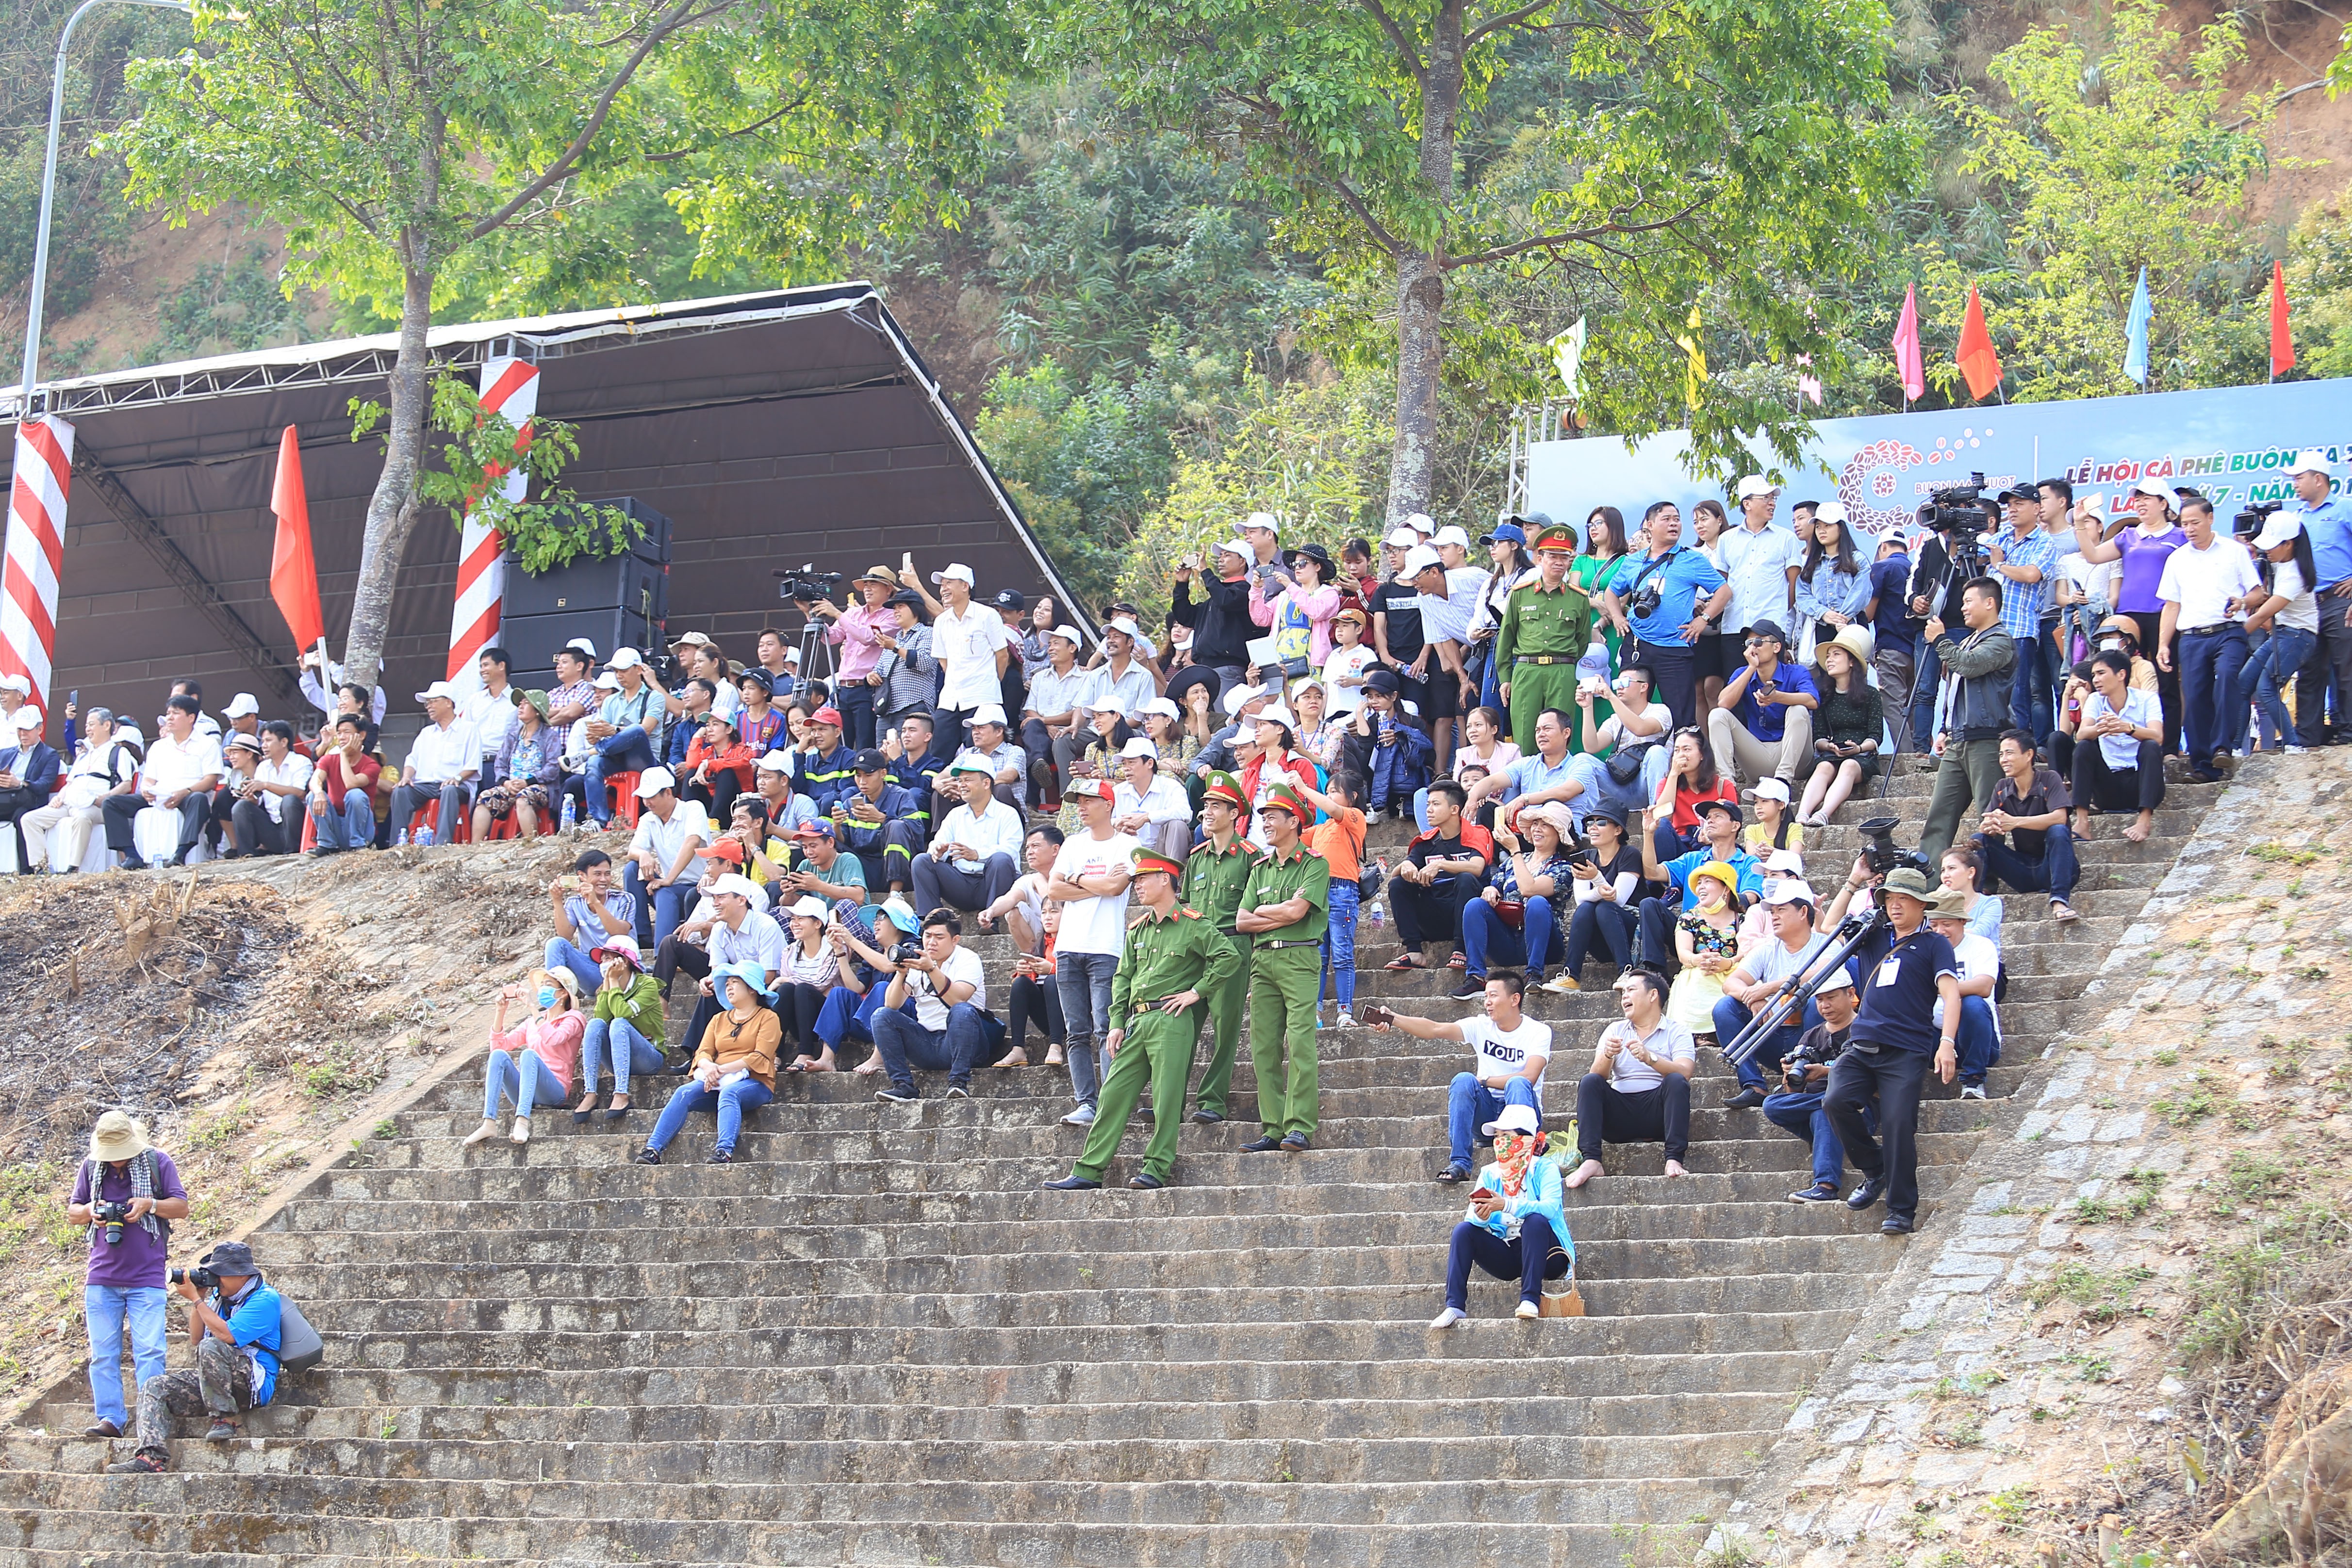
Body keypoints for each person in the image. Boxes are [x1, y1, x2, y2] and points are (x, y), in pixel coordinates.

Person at [1043, 847, 1242, 1192]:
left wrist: (1196, 991)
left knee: (1166, 1099)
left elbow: (1228, 957)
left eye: (1143, 879)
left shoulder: (1193, 924)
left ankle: (1157, 1166)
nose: (1136, 885)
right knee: (1113, 1095)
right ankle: (1089, 1170)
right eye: (1135, 879)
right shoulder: (1138, 929)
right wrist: (1117, 1020)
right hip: (1137, 1021)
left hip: (1170, 1018)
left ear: (1165, 879)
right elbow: (1123, 978)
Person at [1824, 866, 1960, 1234]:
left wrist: (1946, 1042)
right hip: (1861, 1043)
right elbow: (1827, 928)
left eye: (1903, 899)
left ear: (1921, 904)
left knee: (1899, 1124)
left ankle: (1901, 1209)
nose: (1895, 906)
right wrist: (1853, 882)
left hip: (1906, 1049)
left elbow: (1950, 994)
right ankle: (1875, 1169)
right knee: (1834, 1101)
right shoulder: (1873, 935)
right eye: (1889, 899)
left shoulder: (1934, 943)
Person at [106, 1240, 280, 1474]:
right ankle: (151, 1457)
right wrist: (197, 1299)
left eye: (221, 1274)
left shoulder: (265, 1298)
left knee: (213, 1345)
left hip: (253, 1383)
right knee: (155, 1385)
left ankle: (226, 1419)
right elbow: (196, 1339)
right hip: (217, 1380)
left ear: (241, 1275)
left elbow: (226, 1336)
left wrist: (198, 1301)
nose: (216, 1280)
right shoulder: (218, 1299)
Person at [69, 1111, 189, 1440]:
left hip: (147, 1275)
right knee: (103, 1354)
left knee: (150, 1350)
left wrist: (150, 1204)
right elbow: (73, 1211)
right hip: (102, 1277)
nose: (116, 1160)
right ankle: (111, 1418)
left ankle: (152, 1419)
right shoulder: (92, 1167)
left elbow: (181, 1207)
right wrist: (92, 1211)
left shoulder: (158, 1162)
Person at [1372, 971, 1553, 1184]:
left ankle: (1521, 1158)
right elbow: (1435, 1029)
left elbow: (1530, 1077)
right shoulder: (1481, 1025)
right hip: (1487, 1117)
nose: (1487, 1003)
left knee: (1518, 1083)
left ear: (1515, 999)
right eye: (1485, 997)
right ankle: (1460, 1163)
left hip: (1521, 1109)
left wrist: (1485, 1081)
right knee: (1463, 1080)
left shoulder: (1538, 1031)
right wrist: (1393, 1019)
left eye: (1493, 996)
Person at [1237, 783, 1331, 1153]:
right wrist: (1271, 914)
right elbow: (1242, 921)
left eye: (1272, 816)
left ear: (1294, 820)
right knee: (1263, 1046)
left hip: (1300, 957)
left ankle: (1299, 1125)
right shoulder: (1260, 868)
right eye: (1263, 817)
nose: (1266, 823)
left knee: (1300, 1042)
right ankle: (1273, 1127)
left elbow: (1297, 912)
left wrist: (1264, 912)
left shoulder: (1314, 863)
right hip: (1263, 961)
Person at [1426, 1102, 1571, 1327]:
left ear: (1525, 1138)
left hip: (1548, 1256)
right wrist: (1482, 1215)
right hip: (1509, 1255)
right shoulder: (1490, 1172)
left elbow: (1550, 1208)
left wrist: (1506, 1204)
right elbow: (1472, 1219)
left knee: (1535, 1221)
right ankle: (1454, 1306)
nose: (1500, 1141)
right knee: (1463, 1231)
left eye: (1507, 1135)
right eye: (1498, 1136)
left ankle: (1530, 1299)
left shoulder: (1545, 1168)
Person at [1046, 780, 1138, 1127]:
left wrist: (1077, 879)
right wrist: (1093, 884)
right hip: (1069, 946)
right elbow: (1054, 889)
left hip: (1106, 947)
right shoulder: (1072, 843)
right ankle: (1086, 1101)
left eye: (1089, 801)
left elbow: (1118, 887)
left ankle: (1112, 1103)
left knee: (1106, 1028)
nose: (1081, 806)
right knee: (1076, 1031)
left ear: (1108, 804)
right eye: (1078, 801)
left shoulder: (1128, 845)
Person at [2073, 477, 2188, 754]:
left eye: (2147, 498)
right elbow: (2093, 555)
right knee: (2124, 678)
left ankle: (2169, 747)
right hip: (2128, 620)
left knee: (2166, 682)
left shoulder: (2180, 536)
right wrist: (2079, 523)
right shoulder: (2128, 536)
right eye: (2137, 498)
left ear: (2164, 503)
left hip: (2164, 614)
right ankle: (2122, 744)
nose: (2140, 503)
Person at [1600, 501, 1732, 730]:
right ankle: (1629, 762)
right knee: (1630, 709)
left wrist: (1703, 619)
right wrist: (1618, 617)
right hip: (1637, 645)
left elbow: (1724, 591)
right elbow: (1612, 592)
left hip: (1675, 647)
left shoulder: (1692, 559)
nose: (1674, 524)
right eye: (1667, 519)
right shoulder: (1633, 560)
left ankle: (1684, 762)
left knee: (1680, 715)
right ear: (1650, 526)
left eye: (1677, 519)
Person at [2156, 495, 2262, 781]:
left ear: (2211, 519)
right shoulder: (2176, 559)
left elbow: (2258, 592)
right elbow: (2172, 605)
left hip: (2228, 632)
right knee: (2194, 697)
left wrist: (2241, 602)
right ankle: (2204, 766)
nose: (2189, 529)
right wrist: (2163, 645)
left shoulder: (2234, 551)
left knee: (2227, 677)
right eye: (2184, 524)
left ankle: (2222, 747)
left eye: (2195, 522)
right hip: (2191, 637)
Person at [1711, 877, 1839, 1107]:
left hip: (1811, 1036)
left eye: (1781, 910)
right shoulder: (1768, 948)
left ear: (1803, 912)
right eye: (1773, 911)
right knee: (1725, 1007)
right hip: (1772, 1036)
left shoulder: (1827, 944)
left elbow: (1822, 973)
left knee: (1813, 1002)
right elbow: (1732, 983)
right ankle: (1753, 1085)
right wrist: (1751, 999)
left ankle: (1808, 1079)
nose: (1774, 916)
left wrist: (1771, 988)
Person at [1563, 969, 1695, 1187]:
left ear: (1653, 996)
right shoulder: (1615, 1029)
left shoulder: (1677, 1031)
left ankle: (1674, 1158)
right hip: (1619, 1114)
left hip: (1658, 1115)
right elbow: (1598, 1075)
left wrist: (1651, 1059)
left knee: (1676, 1081)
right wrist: (1608, 1055)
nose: (1624, 996)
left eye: (1631, 990)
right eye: (1623, 992)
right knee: (1589, 1082)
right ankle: (1592, 1160)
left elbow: (1685, 1072)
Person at [1917, 577, 2017, 867]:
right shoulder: (1967, 641)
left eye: (1969, 601)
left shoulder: (2000, 640)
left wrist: (1939, 639)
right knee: (1940, 814)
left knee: (1988, 815)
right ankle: (1930, 878)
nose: (1963, 608)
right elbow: (1955, 690)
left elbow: (1969, 666)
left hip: (1987, 739)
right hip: (1957, 740)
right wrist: (1945, 728)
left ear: (1990, 603)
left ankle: (1988, 881)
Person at [637, 963, 781, 1162]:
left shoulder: (768, 1018)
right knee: (683, 1092)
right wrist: (708, 1067)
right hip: (716, 1080)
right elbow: (703, 1051)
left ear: (751, 988)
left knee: (730, 1093)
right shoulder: (718, 1019)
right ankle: (652, 1150)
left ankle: (724, 1151)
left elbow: (759, 1056)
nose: (729, 987)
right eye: (727, 983)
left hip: (755, 1083)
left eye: (735, 982)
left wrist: (721, 1070)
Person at [1180, 772, 1258, 1122]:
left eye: (1216, 806)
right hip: (1194, 950)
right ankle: (1172, 1097)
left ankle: (1212, 1100)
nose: (1207, 812)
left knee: (1225, 1029)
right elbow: (1183, 908)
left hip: (1232, 944)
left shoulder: (1249, 857)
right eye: (1206, 805)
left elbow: (1254, 910)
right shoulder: (1195, 857)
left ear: (1233, 812)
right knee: (1181, 1026)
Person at [1764, 966, 1865, 1203]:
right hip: (1817, 1103)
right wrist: (1791, 1074)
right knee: (1772, 1104)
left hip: (1858, 1108)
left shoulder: (1865, 1029)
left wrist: (1826, 1073)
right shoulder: (1811, 1035)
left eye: (1831, 998)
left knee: (1827, 1109)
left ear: (1851, 994)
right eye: (1820, 1000)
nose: (1825, 1006)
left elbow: (1869, 1076)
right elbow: (1793, 1091)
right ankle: (1825, 1137)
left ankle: (1826, 1186)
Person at [1494, 518, 1595, 755]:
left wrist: (1565, 663)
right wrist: (1506, 677)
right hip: (1527, 671)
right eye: (1553, 556)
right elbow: (1507, 638)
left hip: (1562, 671)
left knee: (1559, 736)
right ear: (1540, 558)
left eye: (1564, 557)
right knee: (1526, 735)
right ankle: (1526, 790)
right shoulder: (1521, 594)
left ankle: (1557, 790)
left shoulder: (1578, 598)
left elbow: (1582, 641)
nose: (1559, 562)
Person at [870, 910, 991, 1104]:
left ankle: (959, 1082)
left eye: (939, 937)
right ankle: (904, 1086)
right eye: (928, 936)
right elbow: (892, 1004)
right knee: (881, 1016)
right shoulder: (919, 960)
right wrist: (901, 973)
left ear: (955, 940)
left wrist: (931, 969)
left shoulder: (968, 959)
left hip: (966, 1043)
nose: (932, 942)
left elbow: (958, 999)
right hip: (928, 1043)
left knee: (962, 1010)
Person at [1457, 802, 1574, 997]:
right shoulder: (1513, 861)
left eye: (1545, 825)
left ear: (1558, 833)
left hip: (1546, 944)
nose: (1537, 828)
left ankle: (1534, 974)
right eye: (1535, 823)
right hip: (1509, 940)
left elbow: (1529, 889)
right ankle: (1476, 977)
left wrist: (1516, 851)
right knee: (1475, 905)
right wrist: (1490, 890)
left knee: (1537, 902)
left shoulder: (1563, 868)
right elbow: (1496, 883)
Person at [464, 968, 586, 1148]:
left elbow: (554, 1039)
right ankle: (489, 1122)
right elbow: (498, 1047)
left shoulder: (574, 1018)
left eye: (549, 985)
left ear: (562, 994)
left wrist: (532, 1008)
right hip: (527, 1090)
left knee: (529, 1054)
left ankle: (522, 1121)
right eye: (542, 985)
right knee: (499, 1056)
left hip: (554, 1090)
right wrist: (501, 1011)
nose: (542, 989)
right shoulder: (532, 1022)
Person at [1635, 796, 1760, 969]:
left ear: (1735, 826)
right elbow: (1652, 873)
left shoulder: (1749, 862)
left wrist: (1715, 904)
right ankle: (1654, 971)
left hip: (1727, 938)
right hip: (1688, 932)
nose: (1710, 820)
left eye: (1718, 816)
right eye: (1708, 817)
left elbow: (1750, 898)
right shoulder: (1693, 859)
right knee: (1650, 904)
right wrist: (1648, 834)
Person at [1383, 779, 1493, 974]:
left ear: (1454, 809)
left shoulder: (1477, 834)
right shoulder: (1427, 841)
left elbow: (1477, 868)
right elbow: (1394, 874)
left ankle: (1461, 949)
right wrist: (1407, 865)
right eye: (1428, 805)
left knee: (1465, 878)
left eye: (1436, 804)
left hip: (1469, 914)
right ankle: (1414, 951)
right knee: (1399, 883)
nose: (1429, 810)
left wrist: (1440, 864)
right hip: (1435, 915)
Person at [2281, 451, 2352, 747]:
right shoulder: (2296, 519)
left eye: (2299, 478)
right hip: (2308, 603)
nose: (2295, 484)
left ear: (2319, 479)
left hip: (2341, 599)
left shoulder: (2345, 508)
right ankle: (2307, 739)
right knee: (2309, 670)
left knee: (2346, 668)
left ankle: (2348, 732)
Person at [102, 694, 221, 869]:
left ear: (191, 718)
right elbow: (149, 780)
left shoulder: (207, 744)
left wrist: (186, 792)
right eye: (168, 713)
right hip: (159, 795)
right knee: (111, 803)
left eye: (176, 713)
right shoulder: (159, 746)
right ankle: (132, 855)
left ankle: (180, 854)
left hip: (187, 795)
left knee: (199, 800)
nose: (169, 718)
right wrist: (146, 790)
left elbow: (211, 780)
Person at [1972, 728, 2078, 923]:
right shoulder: (2002, 786)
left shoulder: (2049, 779)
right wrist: (1990, 825)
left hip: (2055, 868)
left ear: (2029, 755)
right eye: (2001, 754)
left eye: (2009, 753)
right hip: (2023, 871)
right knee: (1978, 841)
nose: (2004, 759)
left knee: (2058, 831)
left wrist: (2014, 822)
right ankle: (1973, 905)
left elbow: (2060, 818)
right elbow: (1984, 827)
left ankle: (2060, 900)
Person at [2237, 512, 2320, 756]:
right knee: (2243, 683)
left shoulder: (2295, 575)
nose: (2267, 552)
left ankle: (2292, 744)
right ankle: (2235, 748)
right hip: (2282, 635)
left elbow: (2262, 615)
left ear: (2289, 544)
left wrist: (2231, 639)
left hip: (2298, 638)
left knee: (2266, 688)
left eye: (2272, 546)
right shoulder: (2278, 564)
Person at [2065, 650, 2166, 844]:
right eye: (2094, 675)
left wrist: (2128, 728)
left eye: (2101, 673)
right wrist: (2102, 727)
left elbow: (2158, 736)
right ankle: (2082, 823)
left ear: (2121, 675)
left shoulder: (2147, 699)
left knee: (2151, 746)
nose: (2096, 680)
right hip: (2109, 788)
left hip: (2142, 784)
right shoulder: (2095, 700)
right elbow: (2081, 734)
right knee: (2084, 747)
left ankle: (2144, 821)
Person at [1295, 770, 1368, 1028]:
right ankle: (1315, 1012)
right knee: (1319, 956)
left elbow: (1334, 810)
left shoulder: (1356, 817)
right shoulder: (1321, 828)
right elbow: (1293, 836)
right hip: (1319, 893)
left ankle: (1345, 1011)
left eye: (1335, 791)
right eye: (1328, 792)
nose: (1329, 797)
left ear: (1353, 796)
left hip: (1343, 891)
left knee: (1343, 955)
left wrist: (1305, 789)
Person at [25, 707, 137, 873]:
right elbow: (69, 783)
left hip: (96, 806)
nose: (88, 729)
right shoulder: (84, 755)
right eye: (87, 725)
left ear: (106, 726)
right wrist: (60, 797)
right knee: (30, 819)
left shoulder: (119, 752)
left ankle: (73, 867)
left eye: (91, 725)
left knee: (82, 817)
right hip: (70, 803)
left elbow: (126, 784)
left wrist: (106, 798)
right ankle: (41, 867)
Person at [1707, 619, 1817, 788]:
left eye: (1758, 642)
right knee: (1717, 715)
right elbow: (1723, 703)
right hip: (1758, 756)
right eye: (1749, 643)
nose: (1753, 648)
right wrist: (1751, 668)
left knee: (1798, 710)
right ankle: (1727, 786)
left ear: (1777, 647)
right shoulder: (1742, 673)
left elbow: (1813, 700)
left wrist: (1778, 697)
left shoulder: (1796, 672)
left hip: (1795, 759)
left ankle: (1782, 782)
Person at [913, 755, 1025, 916]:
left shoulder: (1007, 814)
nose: (962, 785)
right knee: (922, 861)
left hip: (994, 884)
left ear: (986, 783)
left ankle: (991, 919)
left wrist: (977, 855)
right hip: (962, 884)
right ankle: (934, 920)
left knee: (1001, 859)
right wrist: (938, 852)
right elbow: (938, 844)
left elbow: (1010, 852)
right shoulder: (955, 815)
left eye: (968, 780)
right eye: (960, 781)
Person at [572, 936, 665, 1121]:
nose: (604, 963)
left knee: (619, 1023)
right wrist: (608, 986)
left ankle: (621, 1094)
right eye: (603, 959)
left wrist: (613, 983)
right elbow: (601, 1019)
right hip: (618, 1058)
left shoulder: (647, 985)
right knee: (595, 1024)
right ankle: (590, 1092)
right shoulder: (606, 987)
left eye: (609, 958)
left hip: (649, 1056)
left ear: (625, 961)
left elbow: (623, 1013)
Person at [1796, 626, 1882, 827]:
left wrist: (1858, 748)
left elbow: (1876, 736)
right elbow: (1818, 737)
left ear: (1852, 662)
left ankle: (1824, 814)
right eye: (1828, 656)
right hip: (1831, 753)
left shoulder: (1871, 695)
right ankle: (1802, 814)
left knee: (1849, 765)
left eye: (1836, 655)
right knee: (1825, 766)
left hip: (1862, 756)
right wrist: (1830, 747)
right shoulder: (1824, 696)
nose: (1829, 660)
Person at [1924, 890, 2002, 1100]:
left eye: (1947, 924)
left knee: (1973, 1004)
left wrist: (1936, 989)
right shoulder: (1923, 950)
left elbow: (1984, 986)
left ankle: (1973, 1080)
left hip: (1976, 1042)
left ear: (1962, 922)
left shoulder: (1980, 945)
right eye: (1934, 925)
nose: (1940, 931)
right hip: (1934, 1040)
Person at [622, 768, 712, 950]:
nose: (647, 803)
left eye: (652, 797)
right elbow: (633, 849)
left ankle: (662, 953)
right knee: (632, 869)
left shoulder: (692, 808)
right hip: (670, 886)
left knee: (665, 892)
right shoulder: (648, 819)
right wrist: (644, 855)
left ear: (668, 793)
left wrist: (669, 879)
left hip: (697, 887)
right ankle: (642, 935)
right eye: (644, 798)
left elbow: (692, 842)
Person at [1557, 805, 1640, 990]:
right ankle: (1570, 976)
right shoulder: (1585, 856)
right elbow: (1581, 900)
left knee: (1605, 907)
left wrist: (1596, 878)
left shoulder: (1629, 854)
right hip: (1602, 941)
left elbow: (1618, 899)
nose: (1592, 827)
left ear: (1618, 830)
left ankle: (1627, 970)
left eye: (1601, 822)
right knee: (1587, 908)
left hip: (1630, 932)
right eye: (1590, 823)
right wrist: (1598, 891)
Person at [389, 680, 482, 839]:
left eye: (433, 702)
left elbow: (473, 765)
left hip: (458, 785)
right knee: (401, 791)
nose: (429, 707)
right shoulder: (426, 733)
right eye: (427, 703)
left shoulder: (468, 729)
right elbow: (412, 760)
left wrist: (456, 778)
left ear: (448, 703)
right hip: (425, 785)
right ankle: (398, 842)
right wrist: (406, 777)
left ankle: (443, 843)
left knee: (449, 790)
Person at [831, 748, 926, 895]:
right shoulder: (851, 802)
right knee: (827, 841)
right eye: (858, 776)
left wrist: (882, 818)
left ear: (883, 773)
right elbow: (845, 841)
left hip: (895, 866)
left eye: (868, 775)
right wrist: (836, 826)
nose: (862, 781)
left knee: (896, 826)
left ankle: (895, 894)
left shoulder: (902, 796)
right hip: (864, 867)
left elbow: (917, 833)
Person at [544, 849, 638, 997]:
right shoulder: (574, 903)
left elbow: (620, 933)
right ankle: (555, 998)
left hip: (621, 969)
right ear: (582, 876)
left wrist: (596, 903)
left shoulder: (624, 899)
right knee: (555, 943)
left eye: (607, 874)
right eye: (597, 874)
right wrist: (557, 900)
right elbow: (565, 936)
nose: (604, 880)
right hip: (593, 970)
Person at [1664, 862, 1743, 1032]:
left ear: (1726, 889)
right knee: (1698, 979)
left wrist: (1728, 963)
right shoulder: (1689, 917)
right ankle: (1699, 1034)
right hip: (1700, 969)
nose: (1701, 887)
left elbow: (1748, 952)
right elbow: (1683, 954)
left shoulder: (1742, 919)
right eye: (1699, 883)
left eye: (1708, 882)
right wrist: (1697, 959)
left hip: (1732, 971)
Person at [1170, 541, 1256, 697]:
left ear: (1243, 561)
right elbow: (1185, 617)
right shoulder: (1214, 599)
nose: (1221, 560)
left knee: (1224, 719)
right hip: (1205, 669)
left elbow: (1226, 601)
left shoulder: (1245, 591)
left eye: (1227, 555)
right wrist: (1182, 584)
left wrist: (1205, 570)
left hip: (1228, 668)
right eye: (1221, 556)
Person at [773, 894, 848, 1067]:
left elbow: (820, 981)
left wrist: (784, 980)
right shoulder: (789, 952)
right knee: (786, 991)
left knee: (802, 989)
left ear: (818, 924)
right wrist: (785, 982)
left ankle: (806, 1052)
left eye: (801, 919)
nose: (794, 923)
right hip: (798, 1022)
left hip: (824, 1020)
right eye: (793, 919)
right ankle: (775, 1053)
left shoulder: (834, 948)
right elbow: (787, 986)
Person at [1647, 724, 1739, 861]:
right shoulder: (1667, 784)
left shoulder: (1724, 786)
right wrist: (1674, 774)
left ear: (1702, 754)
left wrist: (1711, 835)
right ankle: (1666, 880)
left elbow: (1734, 825)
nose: (1681, 755)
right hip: (1679, 845)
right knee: (1661, 827)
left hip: (1710, 846)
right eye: (1677, 751)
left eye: (1687, 749)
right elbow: (1661, 817)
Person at [1795, 502, 1872, 648]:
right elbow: (1802, 594)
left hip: (1852, 622)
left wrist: (1843, 618)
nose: (1822, 531)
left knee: (1854, 668)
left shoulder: (1857, 559)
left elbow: (1861, 592)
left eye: (1828, 526)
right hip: (1823, 625)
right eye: (1818, 527)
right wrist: (1823, 613)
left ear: (1841, 529)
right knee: (1827, 666)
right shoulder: (1813, 563)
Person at [303, 713, 380, 856]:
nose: (342, 737)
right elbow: (315, 780)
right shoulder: (328, 760)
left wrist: (344, 755)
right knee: (313, 795)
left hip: (362, 830)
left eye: (347, 732)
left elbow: (351, 784)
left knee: (355, 794)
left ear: (361, 735)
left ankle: (358, 845)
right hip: (337, 825)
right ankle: (326, 844)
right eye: (339, 733)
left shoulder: (371, 766)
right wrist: (319, 793)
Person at [1110, 738, 1190, 864]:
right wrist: (1116, 823)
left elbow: (1185, 813)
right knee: (1088, 831)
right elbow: (1102, 821)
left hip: (1160, 851)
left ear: (1150, 763)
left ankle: (1172, 877)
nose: (1126, 768)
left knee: (1177, 826)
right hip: (1126, 851)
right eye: (1124, 764)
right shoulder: (1117, 791)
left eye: (1131, 762)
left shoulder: (1170, 786)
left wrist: (1147, 817)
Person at [0, 706, 59, 869]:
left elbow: (44, 785)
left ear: (39, 729)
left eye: (27, 730)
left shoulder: (49, 755)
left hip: (28, 801)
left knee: (22, 817)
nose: (22, 734)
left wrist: (19, 783)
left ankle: (27, 869)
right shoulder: (5, 753)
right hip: (5, 798)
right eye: (20, 730)